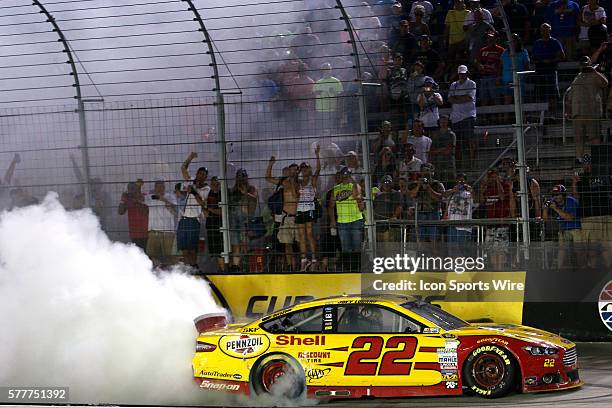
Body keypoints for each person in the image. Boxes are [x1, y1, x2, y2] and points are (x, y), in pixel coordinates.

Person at [571, 154, 612, 268]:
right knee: (593, 247)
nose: (587, 166)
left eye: (589, 164)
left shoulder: (604, 175)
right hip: (591, 216)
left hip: (603, 215)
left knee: (605, 245)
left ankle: (607, 270)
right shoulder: (582, 177)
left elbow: (576, 196)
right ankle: (594, 270)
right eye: (586, 164)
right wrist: (574, 183)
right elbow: (576, 196)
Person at [567, 56, 608, 163]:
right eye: (582, 64)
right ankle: (579, 158)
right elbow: (570, 96)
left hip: (592, 111)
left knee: (594, 136)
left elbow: (605, 83)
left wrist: (594, 71)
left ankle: (597, 158)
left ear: (590, 63)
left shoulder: (595, 75)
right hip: (578, 112)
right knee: (578, 138)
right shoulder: (577, 77)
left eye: (586, 63)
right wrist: (569, 110)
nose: (584, 66)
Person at [329, 167, 365, 271]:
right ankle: (348, 268)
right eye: (343, 174)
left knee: (357, 246)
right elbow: (331, 206)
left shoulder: (356, 186)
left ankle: (357, 268)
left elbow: (356, 195)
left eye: (347, 174)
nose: (345, 176)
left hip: (355, 220)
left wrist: (352, 181)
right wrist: (332, 220)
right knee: (346, 248)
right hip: (342, 222)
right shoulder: (336, 188)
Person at [177, 152, 210, 268]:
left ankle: (194, 267)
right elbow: (183, 168)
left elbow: (202, 203)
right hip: (183, 219)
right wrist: (190, 157)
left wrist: (194, 191)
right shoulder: (190, 181)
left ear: (206, 177)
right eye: (199, 173)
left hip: (194, 220)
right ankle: (187, 269)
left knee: (192, 248)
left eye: (203, 174)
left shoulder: (206, 189)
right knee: (184, 248)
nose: (201, 176)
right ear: (196, 174)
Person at [267, 158, 299, 271]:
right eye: (291, 170)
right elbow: (268, 178)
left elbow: (296, 197)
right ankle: (290, 267)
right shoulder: (284, 182)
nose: (293, 172)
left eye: (295, 170)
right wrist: (270, 164)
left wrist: (293, 183)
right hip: (286, 217)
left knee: (299, 245)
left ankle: (299, 266)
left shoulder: (301, 183)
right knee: (287, 244)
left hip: (298, 218)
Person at [480, 168, 515, 270]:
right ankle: (495, 270)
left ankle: (501, 270)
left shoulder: (505, 186)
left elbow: (502, 197)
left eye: (494, 176)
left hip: (502, 224)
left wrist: (498, 182)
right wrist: (482, 189)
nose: (492, 178)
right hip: (490, 224)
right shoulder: (487, 188)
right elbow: (482, 201)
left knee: (501, 250)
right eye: (490, 177)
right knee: (491, 250)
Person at [296, 145, 321, 271]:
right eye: (302, 168)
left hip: (309, 208)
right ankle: (303, 259)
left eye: (306, 167)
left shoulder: (313, 180)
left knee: (309, 233)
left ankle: (314, 259)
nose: (304, 169)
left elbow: (318, 170)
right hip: (300, 209)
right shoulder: (298, 182)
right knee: (301, 235)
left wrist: (317, 155)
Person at [543, 184, 582, 266]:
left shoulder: (571, 201)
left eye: (557, 194)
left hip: (575, 228)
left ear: (563, 194)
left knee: (578, 249)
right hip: (563, 229)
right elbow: (545, 219)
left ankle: (581, 267)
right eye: (553, 195)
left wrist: (556, 209)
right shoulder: (553, 203)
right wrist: (545, 209)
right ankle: (559, 269)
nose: (555, 197)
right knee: (561, 248)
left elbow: (570, 218)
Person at [228, 168, 259, 272]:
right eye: (239, 176)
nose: (241, 179)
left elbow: (254, 199)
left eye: (243, 176)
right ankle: (236, 267)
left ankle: (246, 267)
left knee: (245, 245)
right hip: (233, 221)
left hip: (245, 220)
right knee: (235, 245)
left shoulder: (251, 188)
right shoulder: (233, 190)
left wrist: (245, 193)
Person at [448, 65, 477, 168]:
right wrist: (460, 98)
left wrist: (457, 98)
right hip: (456, 118)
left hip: (468, 116)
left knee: (470, 140)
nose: (462, 76)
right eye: (460, 74)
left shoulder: (471, 83)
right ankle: (459, 165)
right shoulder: (453, 85)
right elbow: (450, 99)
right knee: (458, 143)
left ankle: (472, 163)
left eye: (464, 74)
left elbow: (469, 98)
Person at [408, 163, 445, 242]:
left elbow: (439, 198)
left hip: (433, 213)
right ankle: (421, 253)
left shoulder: (437, 184)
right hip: (420, 213)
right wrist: (419, 186)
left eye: (428, 170)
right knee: (420, 238)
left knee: (433, 239)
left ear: (432, 172)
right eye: (423, 171)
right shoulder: (416, 183)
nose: (425, 173)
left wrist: (428, 187)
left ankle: (433, 254)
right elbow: (412, 195)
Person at [144, 180, 177, 267]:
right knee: (150, 256)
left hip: (168, 232)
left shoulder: (170, 197)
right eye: (157, 187)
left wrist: (163, 199)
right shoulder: (150, 197)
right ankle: (155, 273)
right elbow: (140, 199)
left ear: (164, 188)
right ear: (154, 188)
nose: (159, 189)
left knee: (170, 257)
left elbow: (175, 211)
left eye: (161, 187)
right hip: (153, 232)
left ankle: (172, 275)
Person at [532, 23, 565, 105]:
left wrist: (551, 60)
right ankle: (541, 115)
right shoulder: (537, 43)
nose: (544, 31)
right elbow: (532, 58)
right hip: (540, 70)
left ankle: (552, 115)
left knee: (552, 94)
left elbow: (562, 56)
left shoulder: (555, 42)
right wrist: (541, 61)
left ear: (550, 30)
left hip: (551, 70)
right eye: (543, 30)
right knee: (540, 94)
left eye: (546, 29)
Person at [118, 180, 148, 251]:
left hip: (145, 232)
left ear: (137, 189)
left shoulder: (143, 196)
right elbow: (120, 212)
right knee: (138, 253)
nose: (131, 191)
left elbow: (145, 212)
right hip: (134, 232)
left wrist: (136, 201)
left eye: (133, 189)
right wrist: (123, 200)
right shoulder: (128, 199)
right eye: (129, 189)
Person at [445, 173, 475, 245]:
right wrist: (453, 190)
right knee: (452, 250)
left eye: (462, 181)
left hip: (464, 226)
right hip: (452, 224)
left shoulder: (468, 193)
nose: (460, 183)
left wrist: (471, 191)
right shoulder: (452, 192)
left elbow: (477, 199)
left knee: (463, 251)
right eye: (458, 181)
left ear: (465, 182)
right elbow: (443, 195)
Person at [501, 33, 531, 104]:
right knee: (507, 101)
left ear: (518, 41)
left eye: (515, 41)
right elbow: (501, 65)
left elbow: (527, 64)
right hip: (507, 80)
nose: (513, 43)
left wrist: (525, 76)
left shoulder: (523, 52)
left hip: (519, 80)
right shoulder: (505, 52)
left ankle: (521, 115)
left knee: (520, 101)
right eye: (511, 41)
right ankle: (506, 115)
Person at [476, 32, 504, 106]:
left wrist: (499, 77)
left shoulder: (501, 50)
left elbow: (503, 64)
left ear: (496, 39)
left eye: (492, 38)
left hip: (495, 77)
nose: (490, 39)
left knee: (496, 98)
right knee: (483, 98)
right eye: (488, 38)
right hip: (484, 77)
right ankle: (484, 117)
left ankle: (498, 117)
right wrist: (479, 66)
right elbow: (478, 62)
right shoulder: (482, 50)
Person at [313, 63, 344, 127]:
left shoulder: (336, 81)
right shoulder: (318, 82)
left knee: (333, 127)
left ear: (331, 70)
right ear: (322, 71)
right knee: (322, 127)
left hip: (333, 108)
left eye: (328, 69)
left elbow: (341, 96)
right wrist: (317, 93)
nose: (326, 71)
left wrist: (340, 108)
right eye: (324, 69)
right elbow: (313, 94)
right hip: (320, 109)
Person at [374, 175, 403, 243]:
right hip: (378, 223)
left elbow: (400, 206)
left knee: (390, 244)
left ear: (392, 183)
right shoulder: (378, 195)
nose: (386, 184)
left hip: (391, 224)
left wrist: (394, 216)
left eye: (388, 182)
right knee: (379, 245)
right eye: (384, 182)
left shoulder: (396, 194)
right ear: (381, 184)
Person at [430, 115, 457, 186]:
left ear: (448, 122)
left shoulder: (452, 134)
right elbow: (432, 150)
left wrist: (438, 150)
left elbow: (449, 150)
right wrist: (443, 149)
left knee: (450, 182)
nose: (443, 123)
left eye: (445, 121)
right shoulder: (435, 134)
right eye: (441, 121)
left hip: (449, 163)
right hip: (437, 163)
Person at [205, 176, 224, 272]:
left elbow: (222, 211)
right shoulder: (209, 194)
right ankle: (219, 270)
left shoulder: (223, 194)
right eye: (213, 184)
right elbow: (206, 210)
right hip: (210, 225)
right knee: (215, 252)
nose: (215, 186)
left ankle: (223, 270)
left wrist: (211, 210)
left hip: (220, 226)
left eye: (217, 184)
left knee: (220, 251)